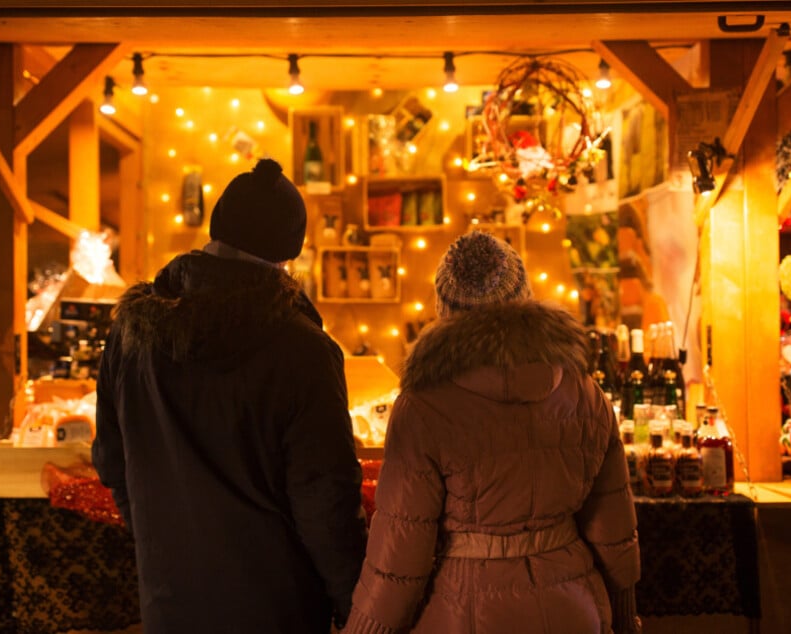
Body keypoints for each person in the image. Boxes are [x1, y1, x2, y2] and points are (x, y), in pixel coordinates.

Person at [92, 158, 367, 633]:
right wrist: (356, 605)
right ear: (287, 252)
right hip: (277, 606)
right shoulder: (303, 349)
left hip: (169, 600)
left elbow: (113, 460)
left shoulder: (133, 329)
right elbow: (325, 499)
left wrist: (157, 543)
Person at [345, 231, 642, 634]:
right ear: (525, 297)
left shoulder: (423, 407)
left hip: (465, 611)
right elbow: (615, 535)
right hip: (573, 607)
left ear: (444, 310)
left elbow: (398, 561)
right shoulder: (583, 391)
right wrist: (624, 617)